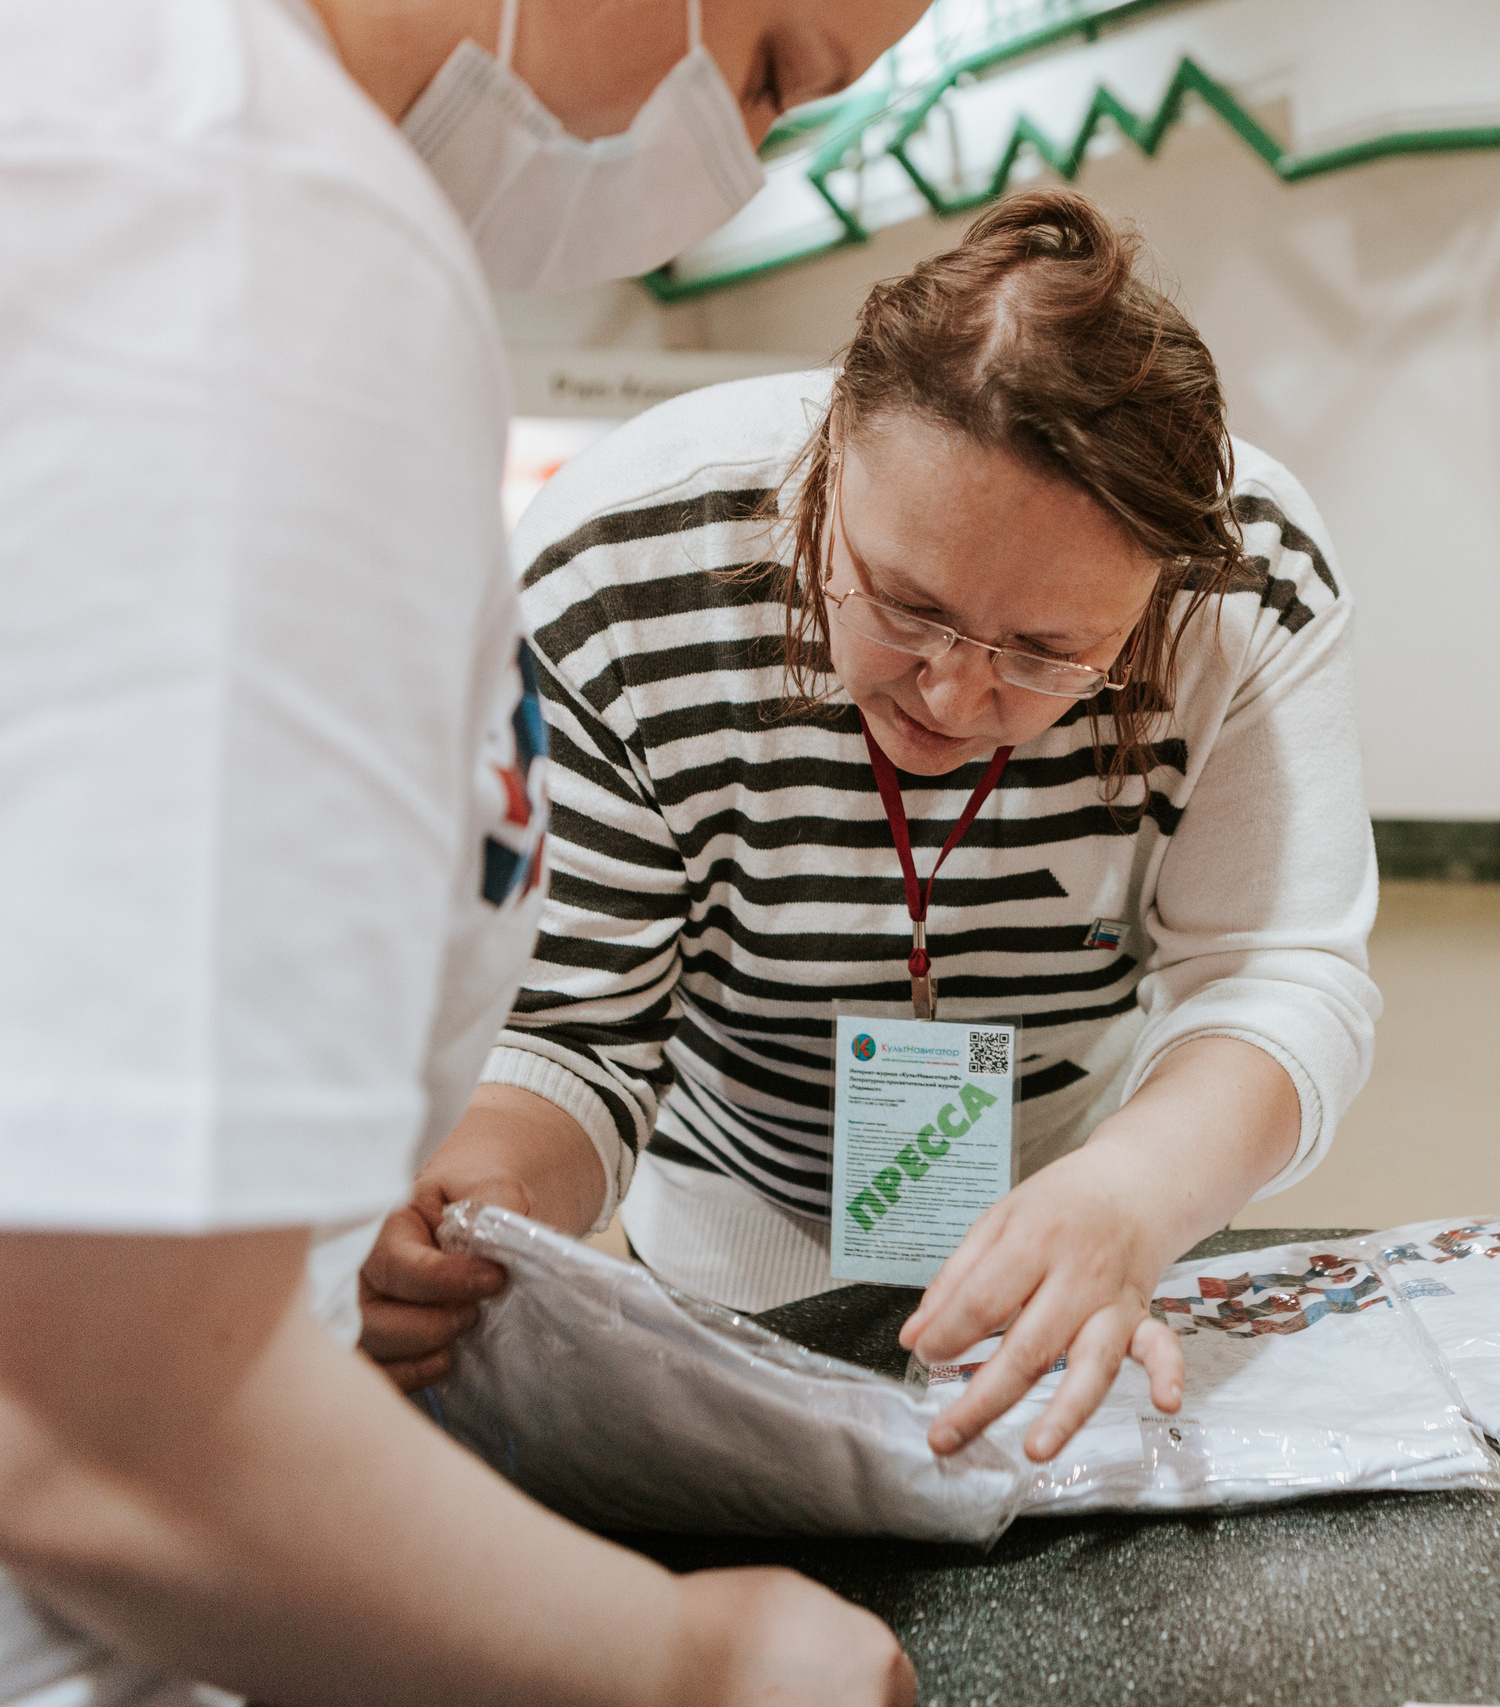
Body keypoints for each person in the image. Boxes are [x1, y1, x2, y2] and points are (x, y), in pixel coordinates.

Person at [0, 0, 928, 1701]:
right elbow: (81, 1412)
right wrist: (689, 1658)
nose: (737, 156)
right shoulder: (252, 223)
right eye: (773, 71)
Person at [354, 187, 1382, 1463]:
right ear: (832, 454)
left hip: (1087, 1179)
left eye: (1048, 655)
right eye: (905, 605)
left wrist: (1133, 1193)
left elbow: (1275, 976)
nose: (952, 695)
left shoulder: (1247, 577)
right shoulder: (614, 563)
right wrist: (496, 1191)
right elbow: (579, 1034)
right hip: (733, 1199)